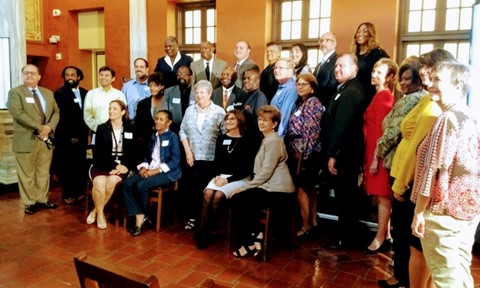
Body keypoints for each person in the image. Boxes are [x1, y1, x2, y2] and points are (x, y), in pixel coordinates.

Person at [385, 49, 455, 288]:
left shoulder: (435, 107)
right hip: (406, 173)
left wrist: (400, 183)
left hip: (413, 181)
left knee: (411, 241)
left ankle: (406, 280)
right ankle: (404, 278)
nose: (426, 75)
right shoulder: (427, 99)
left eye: (431, 72)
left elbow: (418, 152)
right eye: (425, 71)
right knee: (404, 237)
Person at [410, 61, 479, 288]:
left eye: (438, 79)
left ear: (458, 85)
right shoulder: (468, 115)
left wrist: (419, 212)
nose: (430, 83)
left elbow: (434, 170)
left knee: (446, 279)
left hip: (443, 213)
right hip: (466, 212)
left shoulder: (447, 119)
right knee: (459, 273)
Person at [374, 57, 426, 288]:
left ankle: (401, 277)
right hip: (401, 164)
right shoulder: (417, 99)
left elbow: (392, 131)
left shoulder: (412, 101)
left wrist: (378, 151)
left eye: (407, 78)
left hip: (401, 165)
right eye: (401, 78)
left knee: (402, 227)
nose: (402, 83)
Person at [230, 105, 295, 258]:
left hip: (279, 192)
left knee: (240, 198)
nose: (261, 123)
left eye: (265, 120)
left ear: (274, 124)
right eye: (260, 119)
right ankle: (255, 236)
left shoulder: (273, 141)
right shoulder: (266, 139)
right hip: (268, 188)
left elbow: (266, 171)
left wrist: (246, 187)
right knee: (239, 199)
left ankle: (250, 242)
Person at [321, 53, 366, 249]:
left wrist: (332, 154)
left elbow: (341, 126)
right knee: (344, 195)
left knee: (346, 196)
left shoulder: (351, 91)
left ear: (354, 69)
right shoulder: (345, 89)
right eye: (336, 65)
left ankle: (346, 238)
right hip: (344, 152)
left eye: (343, 66)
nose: (337, 68)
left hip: (345, 154)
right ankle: (346, 234)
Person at [196, 110, 254, 249]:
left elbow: (246, 169)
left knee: (218, 196)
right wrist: (216, 176)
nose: (228, 121)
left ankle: (209, 229)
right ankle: (204, 231)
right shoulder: (221, 138)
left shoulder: (247, 140)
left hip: (238, 178)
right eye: (227, 119)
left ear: (239, 121)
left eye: (232, 119)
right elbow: (217, 162)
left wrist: (227, 181)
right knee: (208, 194)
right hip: (221, 176)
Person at [7, 64, 60, 215]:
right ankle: (29, 202)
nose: (29, 75)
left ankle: (42, 199)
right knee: (27, 173)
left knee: (43, 171)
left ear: (39, 76)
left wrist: (49, 127)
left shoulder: (48, 93)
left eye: (32, 73)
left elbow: (56, 112)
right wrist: (40, 128)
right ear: (22, 75)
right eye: (26, 73)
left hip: (46, 139)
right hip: (26, 139)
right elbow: (18, 113)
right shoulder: (15, 93)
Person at [123, 110, 182, 236]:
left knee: (140, 185)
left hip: (167, 173)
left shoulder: (173, 137)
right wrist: (144, 167)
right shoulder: (152, 136)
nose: (157, 121)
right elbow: (147, 156)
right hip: (150, 169)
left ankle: (139, 222)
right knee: (127, 183)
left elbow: (175, 160)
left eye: (161, 119)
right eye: (156, 119)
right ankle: (141, 214)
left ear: (169, 122)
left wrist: (156, 171)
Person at [179, 80, 226, 230]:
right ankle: (193, 217)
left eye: (202, 92)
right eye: (197, 92)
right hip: (192, 157)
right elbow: (182, 131)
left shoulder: (219, 112)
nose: (199, 95)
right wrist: (187, 151)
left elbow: (225, 135)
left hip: (211, 158)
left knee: (204, 190)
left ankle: (205, 221)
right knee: (191, 188)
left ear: (210, 94)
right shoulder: (189, 110)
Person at [362, 58, 397, 254]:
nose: (374, 74)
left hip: (379, 155)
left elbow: (384, 133)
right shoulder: (379, 96)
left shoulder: (384, 98)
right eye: (374, 69)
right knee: (380, 196)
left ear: (390, 77)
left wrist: (376, 157)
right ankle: (387, 234)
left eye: (380, 72)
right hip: (374, 153)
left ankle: (380, 237)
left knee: (383, 197)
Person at [87, 100, 137, 229]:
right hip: (103, 163)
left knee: (111, 182)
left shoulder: (131, 128)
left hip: (123, 164)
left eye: (115, 109)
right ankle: (101, 215)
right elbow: (98, 153)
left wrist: (124, 166)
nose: (111, 111)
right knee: (99, 183)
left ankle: (96, 211)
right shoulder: (102, 128)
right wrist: (115, 165)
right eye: (110, 108)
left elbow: (134, 152)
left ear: (123, 112)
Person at [286, 74, 324, 237]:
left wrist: (305, 155)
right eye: (298, 84)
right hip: (298, 152)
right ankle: (312, 222)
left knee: (302, 189)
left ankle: (306, 225)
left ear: (312, 87)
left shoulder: (313, 103)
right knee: (309, 189)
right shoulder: (300, 103)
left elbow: (311, 132)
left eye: (303, 84)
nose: (299, 87)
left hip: (307, 154)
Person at [54, 66, 90, 205]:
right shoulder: (59, 93)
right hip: (66, 136)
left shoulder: (85, 93)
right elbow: (63, 117)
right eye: (67, 75)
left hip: (81, 136)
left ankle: (79, 192)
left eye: (73, 75)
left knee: (79, 164)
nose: (70, 78)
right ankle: (68, 193)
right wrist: (71, 135)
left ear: (78, 77)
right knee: (67, 165)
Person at [351, 22, 389, 106]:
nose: (360, 34)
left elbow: (390, 69)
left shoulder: (377, 53)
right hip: (354, 95)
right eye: (358, 31)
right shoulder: (354, 54)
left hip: (369, 96)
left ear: (370, 34)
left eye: (365, 31)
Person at [83, 66, 127, 140]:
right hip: (97, 132)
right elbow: (87, 115)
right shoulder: (91, 94)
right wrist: (99, 128)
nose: (103, 77)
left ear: (113, 78)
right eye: (101, 75)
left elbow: (123, 113)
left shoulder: (119, 94)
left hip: (117, 132)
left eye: (106, 75)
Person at [135, 72, 167, 150]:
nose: (152, 88)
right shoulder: (142, 104)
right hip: (147, 142)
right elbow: (138, 124)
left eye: (155, 85)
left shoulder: (167, 102)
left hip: (165, 140)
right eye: (150, 85)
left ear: (162, 86)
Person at [162, 66, 196, 131]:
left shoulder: (198, 91)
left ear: (191, 76)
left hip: (193, 129)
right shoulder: (168, 92)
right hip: (174, 129)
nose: (181, 77)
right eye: (179, 74)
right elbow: (165, 112)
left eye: (184, 74)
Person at [270, 58, 297, 138]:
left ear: (290, 71)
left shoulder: (291, 89)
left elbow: (285, 116)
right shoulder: (282, 86)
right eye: (275, 68)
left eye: (280, 68)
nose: (276, 70)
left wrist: (278, 138)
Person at [313, 32, 338, 110]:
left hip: (326, 106)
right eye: (321, 41)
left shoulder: (336, 61)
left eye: (327, 40)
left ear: (334, 44)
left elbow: (333, 86)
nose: (323, 43)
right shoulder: (320, 64)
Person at [242, 68, 269, 136]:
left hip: (254, 138)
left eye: (249, 78)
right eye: (244, 78)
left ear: (257, 81)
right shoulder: (246, 95)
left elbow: (259, 121)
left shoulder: (260, 97)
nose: (245, 81)